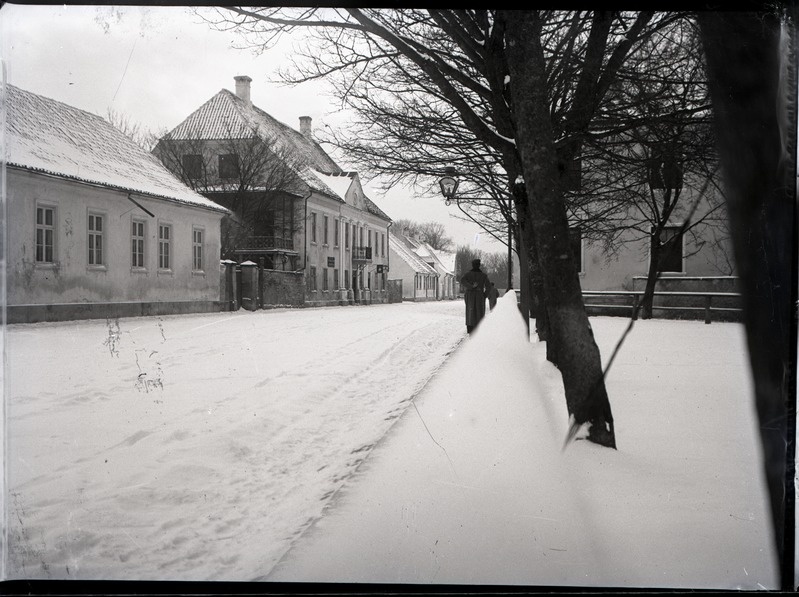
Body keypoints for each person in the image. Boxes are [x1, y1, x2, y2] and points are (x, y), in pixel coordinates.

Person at [460, 258, 491, 334]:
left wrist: (470, 286)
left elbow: (462, 281)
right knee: (479, 311)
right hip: (479, 295)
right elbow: (489, 286)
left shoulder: (468, 274)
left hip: (470, 295)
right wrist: (484, 295)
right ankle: (479, 328)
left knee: (470, 311)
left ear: (472, 265)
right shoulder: (483, 275)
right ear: (479, 265)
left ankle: (470, 328)